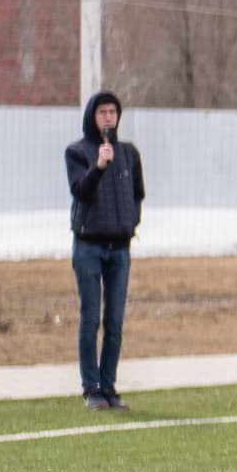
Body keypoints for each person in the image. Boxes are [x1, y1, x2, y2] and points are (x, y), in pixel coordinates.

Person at [64, 90, 145, 410]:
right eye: (103, 113)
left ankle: (109, 386)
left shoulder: (129, 154)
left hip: (120, 249)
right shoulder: (77, 152)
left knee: (114, 321)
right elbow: (80, 191)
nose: (108, 118)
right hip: (89, 247)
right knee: (90, 319)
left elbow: (137, 194)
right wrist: (98, 166)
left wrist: (130, 222)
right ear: (92, 116)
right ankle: (91, 387)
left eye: (113, 112)